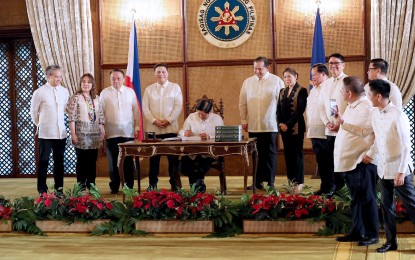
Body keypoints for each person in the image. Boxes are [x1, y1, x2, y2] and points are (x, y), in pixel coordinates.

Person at [366, 79, 415, 253]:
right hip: (383, 166)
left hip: (399, 167)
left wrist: (401, 172)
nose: (368, 97)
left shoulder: (398, 114)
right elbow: (379, 140)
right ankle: (390, 241)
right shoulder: (374, 113)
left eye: (369, 94)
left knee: (412, 205)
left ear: (378, 96)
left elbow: (406, 146)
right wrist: (370, 155)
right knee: (387, 207)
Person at [333, 76, 379, 247]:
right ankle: (357, 230)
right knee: (356, 199)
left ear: (349, 93)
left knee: (367, 198)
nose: (340, 93)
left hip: (362, 160)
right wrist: (339, 124)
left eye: (342, 90)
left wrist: (370, 154)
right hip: (350, 160)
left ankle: (372, 234)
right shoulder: (352, 106)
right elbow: (349, 127)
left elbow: (368, 132)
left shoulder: (366, 107)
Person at [239, 56, 284, 190]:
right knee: (256, 155)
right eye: (255, 68)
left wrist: (280, 122)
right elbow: (242, 103)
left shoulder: (276, 81)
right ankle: (257, 182)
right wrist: (243, 120)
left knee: (269, 154)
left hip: (270, 125)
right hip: (253, 125)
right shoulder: (248, 82)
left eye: (260, 69)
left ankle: (270, 182)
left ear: (267, 68)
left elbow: (282, 104)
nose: (257, 71)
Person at [142, 63, 183, 190]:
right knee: (153, 159)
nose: (161, 74)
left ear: (167, 73)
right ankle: (152, 184)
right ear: (155, 74)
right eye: (158, 72)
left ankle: (174, 183)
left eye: (163, 72)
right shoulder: (149, 89)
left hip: (170, 129)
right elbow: (145, 108)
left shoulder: (175, 87)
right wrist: (154, 121)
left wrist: (168, 120)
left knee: (172, 159)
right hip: (153, 130)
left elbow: (178, 106)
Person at [30, 65, 70, 195]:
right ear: (48, 77)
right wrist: (40, 124)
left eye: (60, 76)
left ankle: (59, 190)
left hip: (61, 134)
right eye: (56, 76)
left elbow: (64, 109)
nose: (59, 79)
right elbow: (33, 112)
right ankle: (42, 190)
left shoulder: (64, 91)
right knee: (44, 161)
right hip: (45, 133)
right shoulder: (39, 92)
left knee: (59, 162)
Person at [100, 69, 140, 194]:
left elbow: (136, 112)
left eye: (118, 78)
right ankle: (115, 185)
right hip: (111, 133)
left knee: (128, 160)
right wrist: (101, 128)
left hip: (128, 133)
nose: (116, 81)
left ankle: (129, 185)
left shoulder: (130, 92)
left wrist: (137, 127)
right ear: (110, 79)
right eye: (113, 78)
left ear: (123, 79)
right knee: (113, 161)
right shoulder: (104, 93)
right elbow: (100, 112)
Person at [67, 73, 105, 191]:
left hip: (95, 134)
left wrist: (102, 130)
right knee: (82, 161)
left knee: (92, 161)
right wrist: (73, 134)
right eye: (84, 81)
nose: (86, 84)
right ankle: (81, 187)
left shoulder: (97, 98)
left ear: (92, 84)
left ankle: (91, 185)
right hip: (81, 134)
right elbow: (71, 118)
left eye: (88, 82)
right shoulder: (76, 97)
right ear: (80, 83)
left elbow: (101, 116)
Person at [318, 53, 348, 196]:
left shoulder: (349, 82)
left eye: (336, 63)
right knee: (330, 161)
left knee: (343, 161)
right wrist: (328, 123)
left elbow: (352, 107)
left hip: (345, 130)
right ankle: (333, 188)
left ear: (343, 65)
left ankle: (344, 189)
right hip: (330, 130)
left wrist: (340, 125)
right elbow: (322, 107)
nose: (333, 66)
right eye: (330, 64)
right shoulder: (325, 84)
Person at [178, 99, 224, 192]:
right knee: (183, 166)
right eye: (199, 113)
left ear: (209, 112)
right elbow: (181, 131)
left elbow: (222, 136)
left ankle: (196, 190)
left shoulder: (217, 119)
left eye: (203, 114)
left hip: (209, 152)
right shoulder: (191, 116)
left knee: (198, 166)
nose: (200, 116)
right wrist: (185, 133)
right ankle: (199, 186)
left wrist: (209, 136)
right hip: (191, 151)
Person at [277, 67, 308, 193]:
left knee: (297, 155)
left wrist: (287, 124)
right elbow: (278, 109)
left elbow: (300, 110)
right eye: (285, 77)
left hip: (296, 128)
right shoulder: (282, 91)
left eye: (289, 76)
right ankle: (291, 181)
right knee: (288, 155)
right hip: (284, 129)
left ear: (296, 76)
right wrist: (280, 123)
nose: (287, 79)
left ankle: (299, 182)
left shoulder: (302, 90)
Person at [306, 64, 332, 195]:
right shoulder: (313, 90)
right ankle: (325, 186)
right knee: (321, 162)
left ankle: (331, 188)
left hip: (326, 132)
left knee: (328, 162)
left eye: (314, 75)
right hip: (314, 132)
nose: (312, 78)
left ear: (323, 74)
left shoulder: (329, 87)